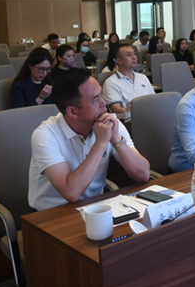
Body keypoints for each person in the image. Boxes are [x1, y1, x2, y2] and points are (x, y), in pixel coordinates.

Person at [28, 68, 150, 211]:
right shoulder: (45, 135)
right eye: (95, 99)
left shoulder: (109, 123)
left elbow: (143, 175)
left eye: (101, 95)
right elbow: (72, 193)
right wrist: (101, 142)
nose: (104, 103)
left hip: (95, 208)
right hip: (51, 213)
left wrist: (116, 139)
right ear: (72, 111)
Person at [102, 44, 154, 113]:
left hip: (150, 115)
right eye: (129, 55)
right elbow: (116, 109)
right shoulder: (111, 82)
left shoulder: (143, 77)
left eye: (134, 54)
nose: (134, 57)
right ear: (119, 61)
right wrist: (141, 111)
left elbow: (154, 100)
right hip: (130, 118)